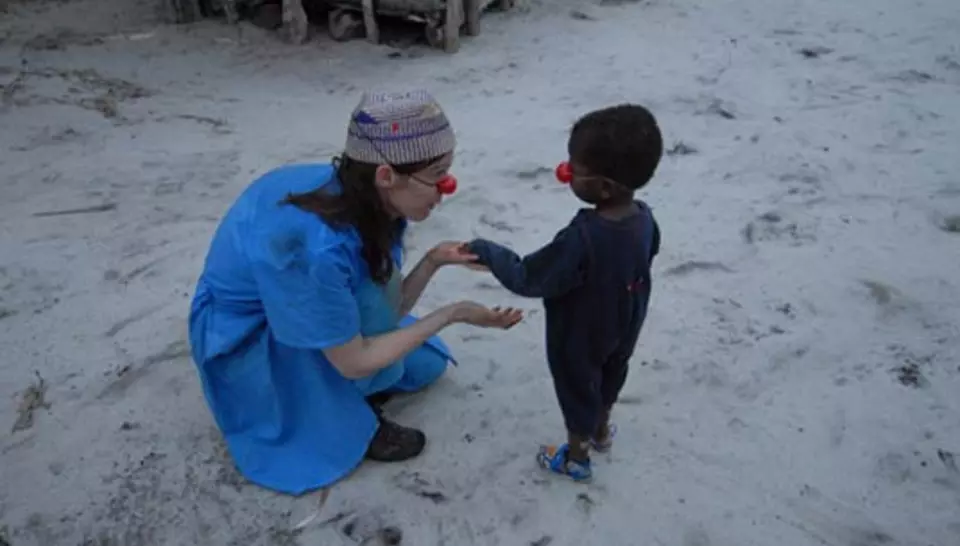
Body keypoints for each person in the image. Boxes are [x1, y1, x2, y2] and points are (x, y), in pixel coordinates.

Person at [188, 90, 522, 495]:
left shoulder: (370, 199)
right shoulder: (315, 249)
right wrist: (454, 313)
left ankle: (342, 389)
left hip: (304, 292)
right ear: (386, 175)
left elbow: (388, 303)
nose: (446, 188)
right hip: (250, 330)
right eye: (436, 175)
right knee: (341, 414)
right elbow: (355, 361)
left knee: (424, 366)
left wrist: (434, 259)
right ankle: (342, 412)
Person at [466, 104, 663, 482]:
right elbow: (649, 254)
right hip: (628, 318)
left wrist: (488, 252)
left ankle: (576, 457)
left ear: (603, 187)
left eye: (575, 168)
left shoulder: (582, 238)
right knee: (612, 373)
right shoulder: (645, 217)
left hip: (581, 330)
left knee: (577, 386)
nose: (567, 171)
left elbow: (529, 277)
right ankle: (601, 432)